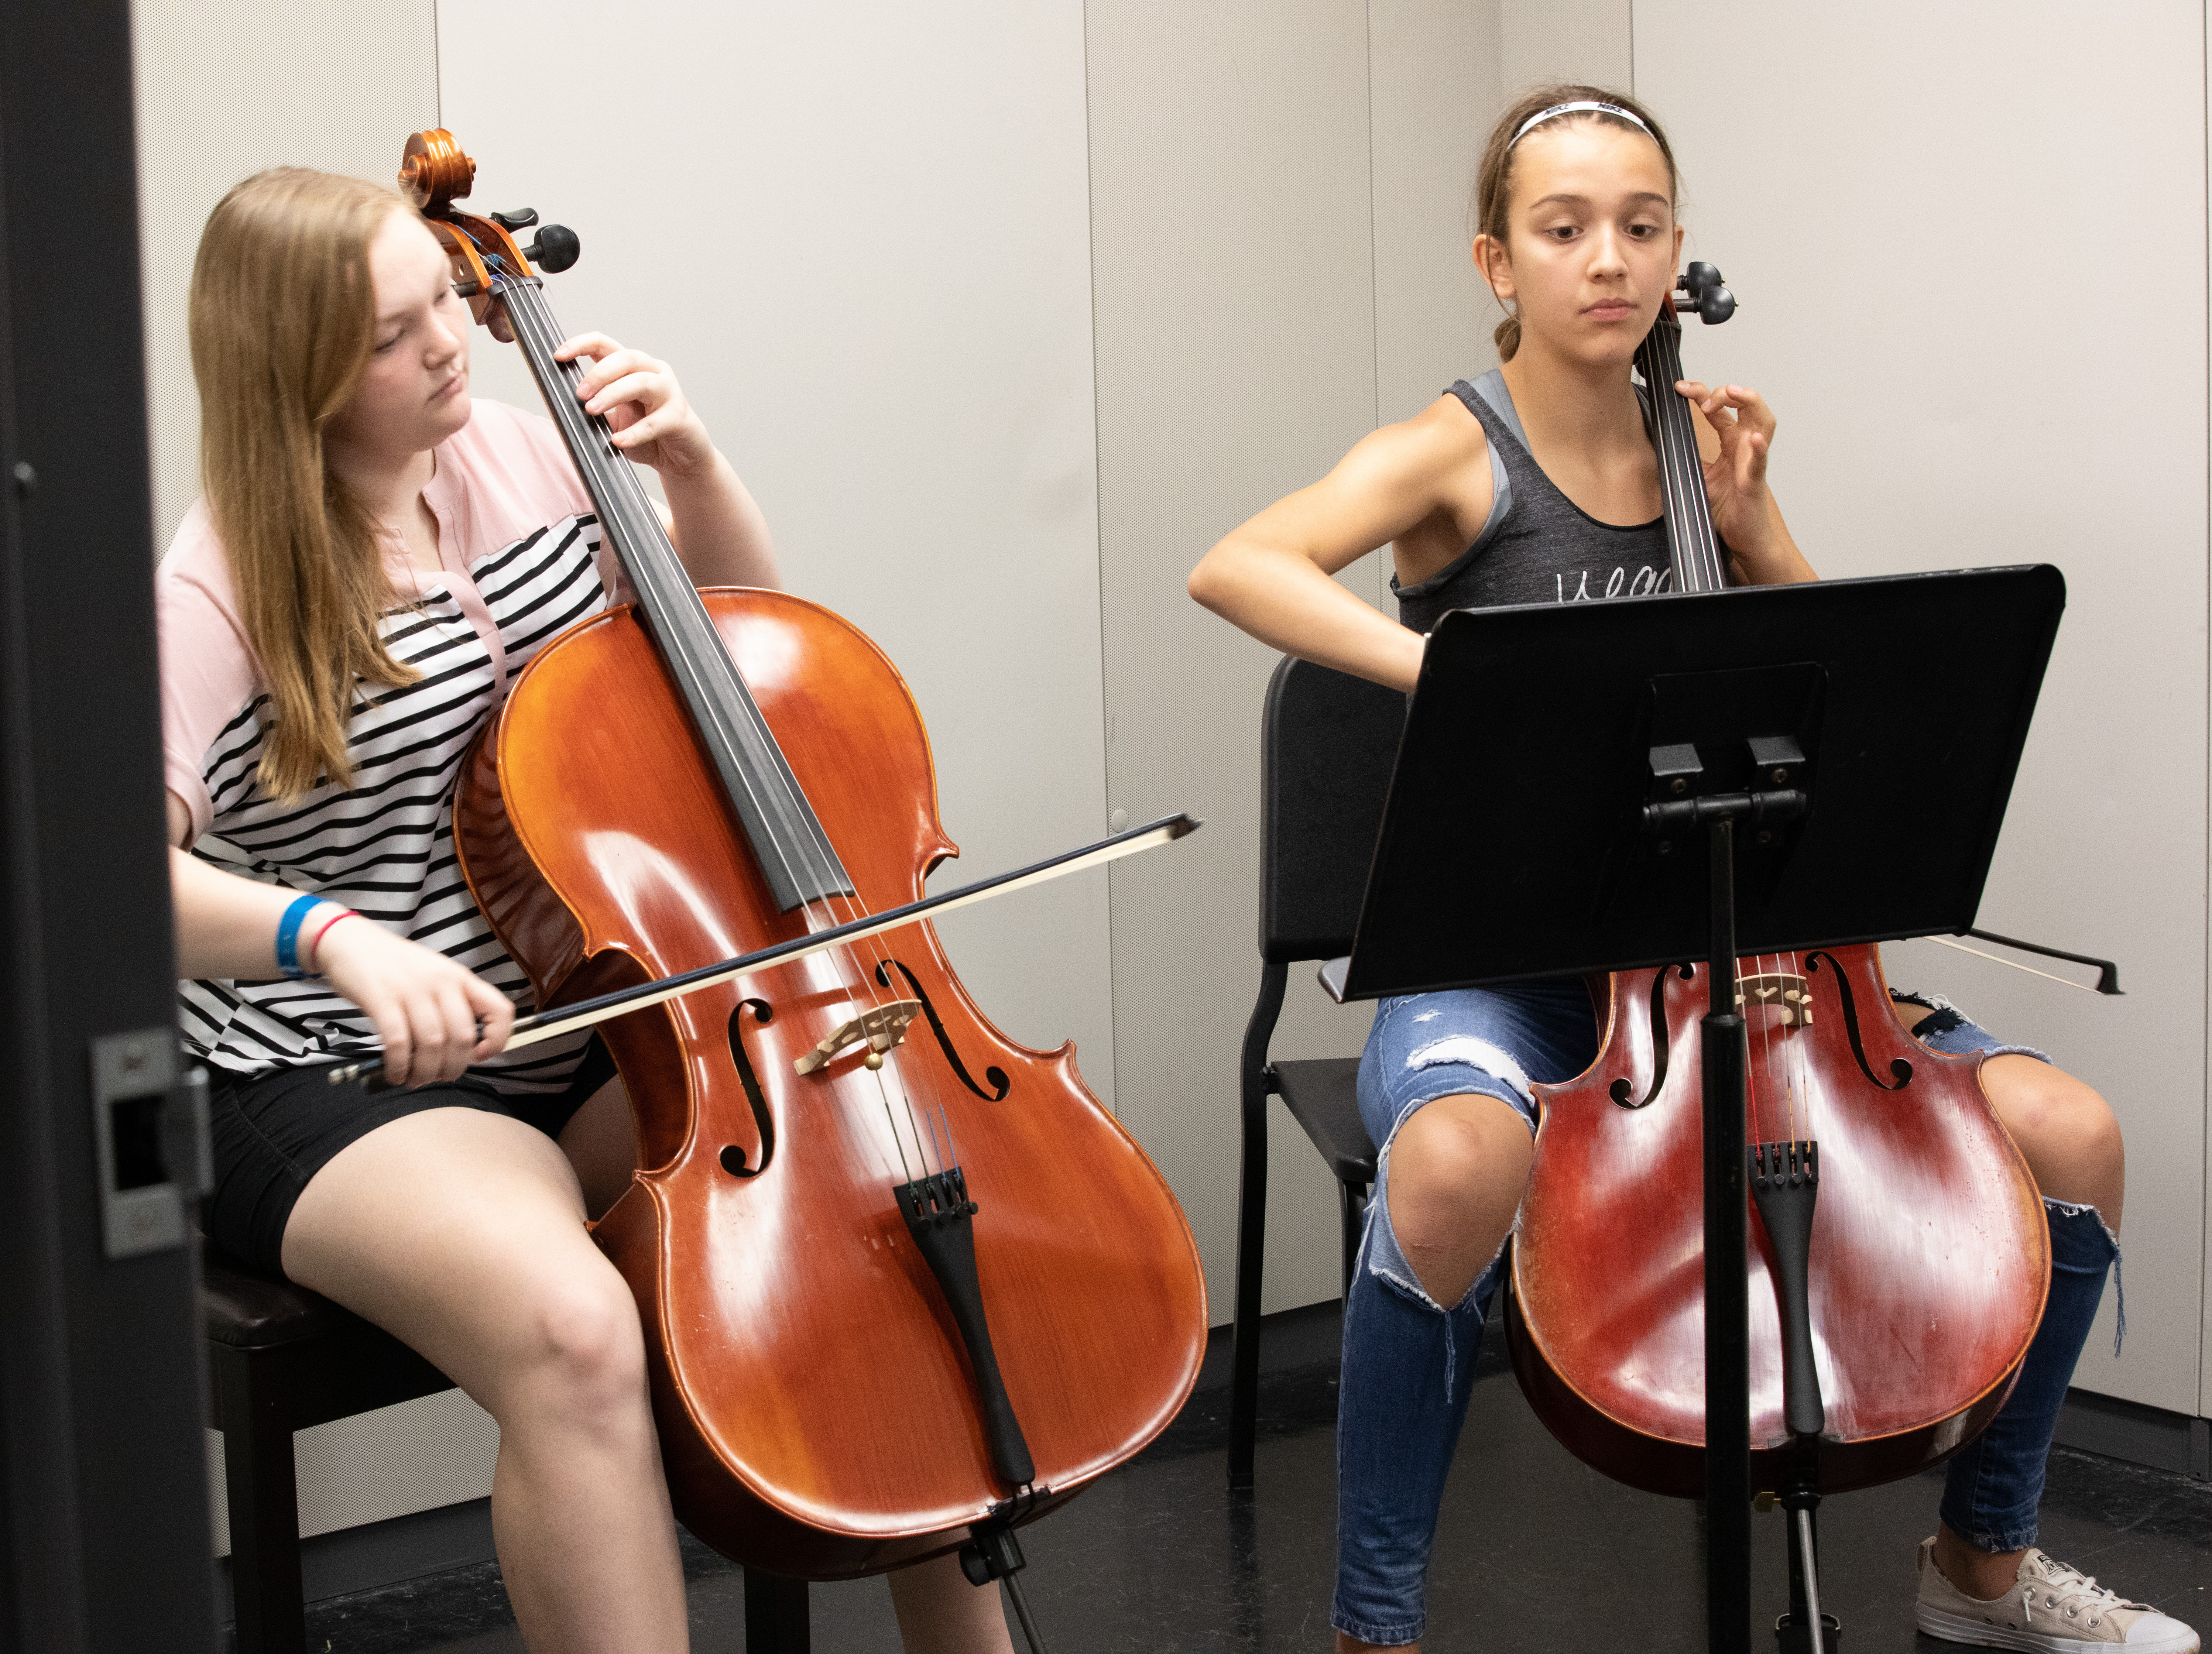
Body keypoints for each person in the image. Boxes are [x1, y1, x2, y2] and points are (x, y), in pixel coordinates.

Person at [1187, 85, 2185, 1654]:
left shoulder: (1704, 444)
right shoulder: (1457, 453)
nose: (1610, 259)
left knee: (2075, 1134)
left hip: (1744, 962)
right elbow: (1237, 561)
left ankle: (1980, 1568)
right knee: (1449, 1167)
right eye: (1564, 226)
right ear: (1495, 260)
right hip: (1508, 963)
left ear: (1679, 254)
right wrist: (1433, 675)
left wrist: (1758, 522)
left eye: (1643, 227)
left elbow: (1830, 696)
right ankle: (1372, 1629)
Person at [160, 166, 1011, 1654]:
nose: (451, 346)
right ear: (290, 371)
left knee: (880, 1205)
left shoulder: (530, 458)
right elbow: (105, 884)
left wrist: (691, 469)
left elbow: (755, 673)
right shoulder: (214, 585)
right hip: (336, 1070)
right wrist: (329, 936)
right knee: (569, 1334)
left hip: (582, 1008)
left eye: (447, 301)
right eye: (391, 333)